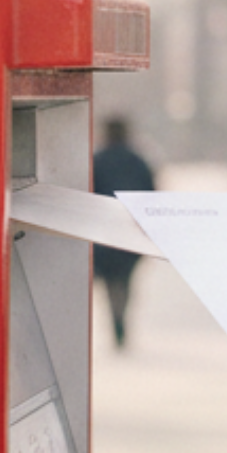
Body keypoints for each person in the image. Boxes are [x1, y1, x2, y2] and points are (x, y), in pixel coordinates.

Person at [91, 115, 156, 350]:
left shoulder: (97, 160)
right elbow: (151, 193)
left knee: (109, 281)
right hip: (132, 231)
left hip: (105, 231)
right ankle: (121, 315)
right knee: (125, 280)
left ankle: (115, 317)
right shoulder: (138, 161)